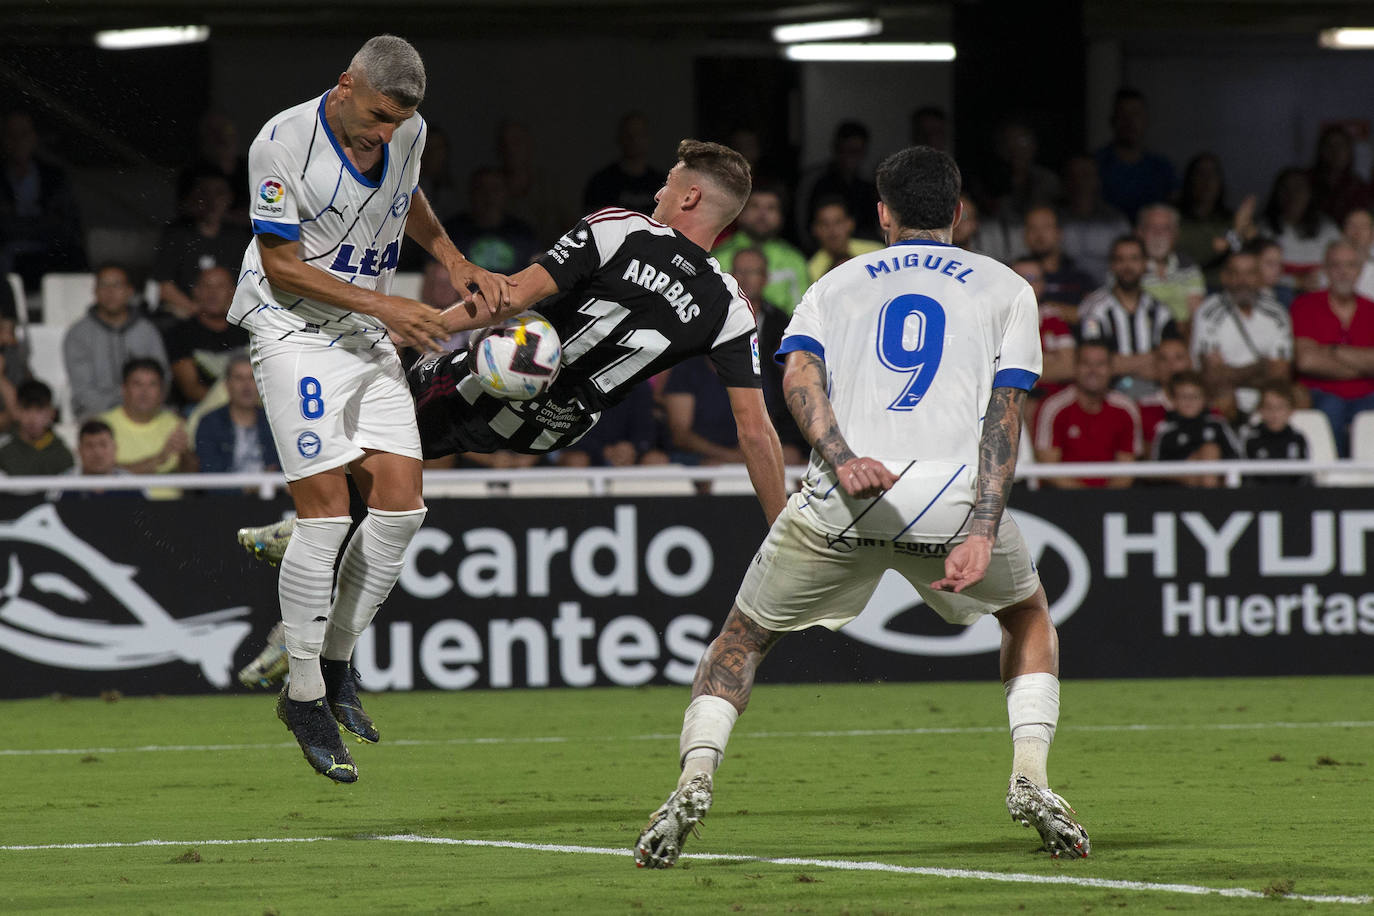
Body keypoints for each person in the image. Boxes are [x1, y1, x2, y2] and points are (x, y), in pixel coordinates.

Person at [633, 146, 1090, 869]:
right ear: (959, 212)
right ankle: (1030, 774)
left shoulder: (833, 283)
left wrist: (842, 458)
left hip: (846, 494)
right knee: (1027, 616)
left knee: (742, 639)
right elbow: (1006, 418)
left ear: (882, 214)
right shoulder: (1008, 288)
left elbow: (799, 381)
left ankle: (695, 775)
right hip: (950, 498)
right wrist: (981, 527)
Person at [237, 140, 789, 676]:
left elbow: (512, 297)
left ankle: (305, 572)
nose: (659, 194)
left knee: (373, 434)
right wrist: (779, 533)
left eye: (668, 183)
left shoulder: (621, 227)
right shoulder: (732, 308)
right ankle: (312, 550)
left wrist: (424, 323)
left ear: (690, 197)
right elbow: (757, 431)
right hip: (553, 427)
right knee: (392, 472)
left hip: (493, 382)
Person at [226, 35, 511, 783]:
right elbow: (283, 266)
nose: (386, 134)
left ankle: (339, 661)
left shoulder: (406, 132)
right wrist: (392, 305)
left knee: (401, 506)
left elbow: (404, 197)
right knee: (323, 518)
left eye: (399, 122)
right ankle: (305, 694)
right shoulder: (281, 144)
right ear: (345, 84)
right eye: (378, 117)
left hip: (365, 329)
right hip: (292, 333)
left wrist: (451, 258)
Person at [1291, 239, 1374, 455]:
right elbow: (1306, 362)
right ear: (1325, 269)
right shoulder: (1305, 305)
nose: (1343, 272)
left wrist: (1332, 351)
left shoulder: (1371, 309)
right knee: (1332, 407)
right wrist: (1363, 365)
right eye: (1336, 265)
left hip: (1368, 395)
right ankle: (1332, 483)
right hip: (1320, 393)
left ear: (1360, 270)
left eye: (1350, 265)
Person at [1190, 248, 1292, 422]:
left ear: (1260, 277)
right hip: (1223, 396)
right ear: (1225, 277)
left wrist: (1232, 373)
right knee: (1224, 396)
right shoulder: (1209, 313)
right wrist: (1260, 367)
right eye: (1236, 273)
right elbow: (1213, 377)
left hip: (1266, 395)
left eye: (1250, 273)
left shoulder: (1277, 313)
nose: (1243, 281)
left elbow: (1280, 376)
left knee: (1296, 396)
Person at [62, 263, 169, 420]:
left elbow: (163, 378)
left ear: (129, 291)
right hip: (97, 415)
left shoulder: (147, 331)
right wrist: (120, 415)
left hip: (144, 411)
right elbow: (83, 390)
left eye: (117, 285)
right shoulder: (78, 334)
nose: (110, 292)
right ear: (95, 292)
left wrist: (137, 410)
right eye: (104, 285)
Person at [1078, 235, 1180, 397]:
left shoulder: (1161, 312)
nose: (1127, 266)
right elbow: (1094, 362)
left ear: (1146, 263)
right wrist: (1152, 359)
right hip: (1109, 397)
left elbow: (1173, 362)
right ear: (1112, 265)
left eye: (1134, 259)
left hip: (1156, 396)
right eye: (1120, 259)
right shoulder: (1094, 311)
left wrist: (1122, 362)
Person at [1034, 341, 1141, 488]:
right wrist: (1088, 500)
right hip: (1061, 500)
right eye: (1086, 363)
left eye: (1100, 364)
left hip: (1114, 500)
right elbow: (1048, 467)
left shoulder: (1126, 409)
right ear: (1075, 367)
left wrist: (1102, 502)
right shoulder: (1054, 407)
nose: (1093, 370)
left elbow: (1127, 470)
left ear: (1111, 369)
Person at [151, 168, 252, 322]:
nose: (212, 200)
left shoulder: (239, 237)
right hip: (185, 315)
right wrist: (197, 312)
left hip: (230, 317)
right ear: (193, 197)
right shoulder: (177, 234)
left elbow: (249, 285)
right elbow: (163, 285)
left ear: (229, 198)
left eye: (218, 193)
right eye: (204, 193)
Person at [99, 358, 196, 498]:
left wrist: (185, 454)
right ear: (124, 389)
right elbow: (101, 475)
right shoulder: (103, 425)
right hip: (120, 508)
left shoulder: (176, 424)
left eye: (152, 384)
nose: (144, 392)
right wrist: (159, 458)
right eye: (137, 384)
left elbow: (191, 480)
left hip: (171, 510)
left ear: (162, 391)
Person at [712, 183, 810, 313]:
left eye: (771, 208)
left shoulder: (795, 261)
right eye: (755, 206)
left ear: (781, 217)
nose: (762, 215)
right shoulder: (719, 256)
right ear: (740, 213)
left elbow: (803, 315)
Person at [163, 265, 249, 409]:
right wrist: (235, 405)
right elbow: (191, 389)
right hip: (203, 408)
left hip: (251, 405)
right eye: (206, 286)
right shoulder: (180, 333)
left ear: (233, 292)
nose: (213, 293)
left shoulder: (248, 328)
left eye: (220, 286)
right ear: (195, 291)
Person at [1093, 88, 1177, 223]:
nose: (1129, 122)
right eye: (1123, 115)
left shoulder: (1162, 167)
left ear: (1146, 120)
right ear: (1112, 120)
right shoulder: (1095, 165)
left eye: (1135, 114)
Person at [1149, 371, 1241, 487]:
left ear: (1205, 399)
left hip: (1218, 484)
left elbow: (1236, 456)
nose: (1189, 401)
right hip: (1176, 491)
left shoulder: (1217, 424)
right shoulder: (1165, 430)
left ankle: (1208, 496)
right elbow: (1155, 469)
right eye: (1183, 396)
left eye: (1195, 396)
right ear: (1173, 400)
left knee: (1210, 449)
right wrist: (1191, 465)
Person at [195, 353, 279, 473]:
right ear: (227, 385)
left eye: (252, 377)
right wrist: (248, 488)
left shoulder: (274, 421)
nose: (246, 385)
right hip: (228, 491)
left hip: (270, 491)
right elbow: (210, 475)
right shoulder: (210, 423)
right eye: (239, 378)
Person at [1137, 203, 1206, 328]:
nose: (1158, 234)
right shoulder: (1129, 267)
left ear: (1175, 235)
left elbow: (1197, 315)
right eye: (1152, 227)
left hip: (1183, 336)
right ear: (1140, 233)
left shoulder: (1188, 266)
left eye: (1165, 228)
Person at [582, 111, 660, 216]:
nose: (634, 140)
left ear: (647, 138)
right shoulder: (601, 182)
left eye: (639, 134)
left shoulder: (660, 183)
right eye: (628, 134)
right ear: (620, 138)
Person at [1242, 379, 1309, 486]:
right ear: (1260, 410)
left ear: (1291, 411)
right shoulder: (1251, 439)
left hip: (1293, 498)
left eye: (1280, 408)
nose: (1274, 413)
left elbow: (1303, 477)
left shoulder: (1298, 439)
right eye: (1269, 407)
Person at [0, 380, 73, 476]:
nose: (32, 418)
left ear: (52, 413)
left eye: (39, 410)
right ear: (16, 411)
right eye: (26, 409)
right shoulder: (3, 450)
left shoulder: (63, 454)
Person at [805, 196, 883, 283]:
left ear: (850, 224)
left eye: (838, 222)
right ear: (815, 229)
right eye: (825, 224)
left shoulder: (877, 252)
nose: (832, 231)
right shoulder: (809, 272)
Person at [60, 419, 140, 500]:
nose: (97, 452)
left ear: (115, 448)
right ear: (78, 451)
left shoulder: (131, 484)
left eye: (103, 445)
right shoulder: (60, 485)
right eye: (89, 446)